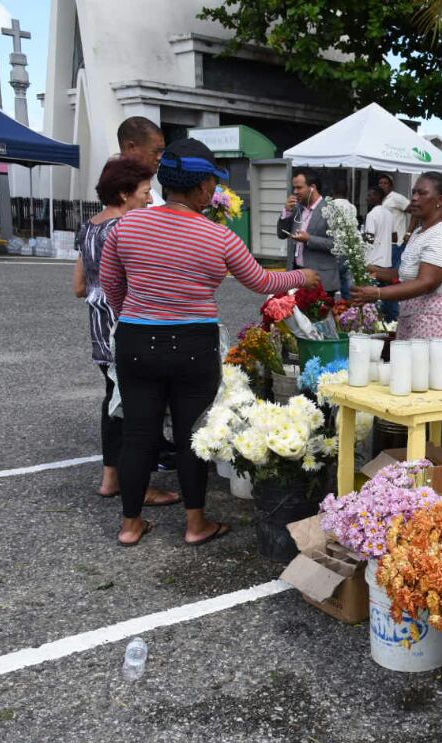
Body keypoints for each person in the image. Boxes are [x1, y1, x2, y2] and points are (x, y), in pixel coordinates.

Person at [100, 138, 318, 547]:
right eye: (213, 184)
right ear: (203, 188)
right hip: (192, 343)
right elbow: (261, 281)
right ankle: (195, 524)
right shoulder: (219, 236)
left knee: (137, 433)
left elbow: (112, 284)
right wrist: (302, 277)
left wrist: (137, 312)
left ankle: (130, 525)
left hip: (136, 338)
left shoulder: (126, 226)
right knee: (193, 434)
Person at [73, 157, 178, 509]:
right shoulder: (125, 229)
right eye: (145, 191)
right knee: (140, 411)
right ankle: (141, 487)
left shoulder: (89, 227)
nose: (149, 198)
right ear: (123, 193)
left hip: (99, 329)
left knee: (113, 401)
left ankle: (111, 478)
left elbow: (79, 286)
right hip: (127, 329)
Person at [351, 170, 442, 340]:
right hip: (416, 321)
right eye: (414, 192)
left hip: (437, 325)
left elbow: (426, 283)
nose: (414, 198)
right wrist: (372, 270)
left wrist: (377, 293)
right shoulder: (420, 232)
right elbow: (406, 274)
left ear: (440, 200)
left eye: (422, 193)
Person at [277, 167, 340, 294]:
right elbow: (281, 234)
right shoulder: (297, 208)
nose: (295, 192)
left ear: (312, 188)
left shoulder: (331, 209)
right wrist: (286, 211)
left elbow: (336, 245)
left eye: (299, 188)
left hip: (321, 278)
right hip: (296, 275)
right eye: (294, 188)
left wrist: (309, 239)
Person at [116, 117, 166, 205]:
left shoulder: (144, 188)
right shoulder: (116, 192)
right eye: (155, 151)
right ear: (131, 148)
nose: (160, 157)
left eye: (161, 151)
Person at [364, 186, 396, 274]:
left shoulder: (371, 214)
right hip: (386, 263)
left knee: (371, 282)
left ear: (377, 197)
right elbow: (395, 238)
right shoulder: (389, 214)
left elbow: (369, 239)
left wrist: (361, 237)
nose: (366, 199)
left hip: (373, 263)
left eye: (369, 195)